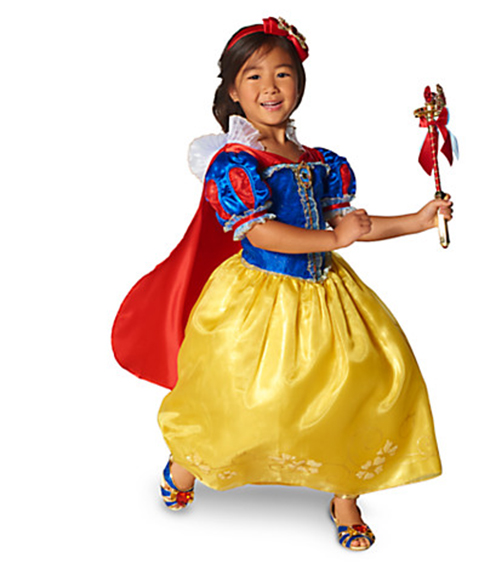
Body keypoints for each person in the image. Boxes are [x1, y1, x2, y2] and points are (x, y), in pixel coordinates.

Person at [112, 16, 453, 551]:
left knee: (355, 391)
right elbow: (262, 232)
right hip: (257, 300)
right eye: (254, 76)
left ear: (299, 83)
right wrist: (334, 239)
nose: (270, 87)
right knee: (233, 395)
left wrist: (418, 219)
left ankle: (345, 492)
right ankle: (187, 463)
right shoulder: (235, 163)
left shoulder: (321, 162)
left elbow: (353, 225)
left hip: (328, 297)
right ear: (233, 90)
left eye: (283, 74)